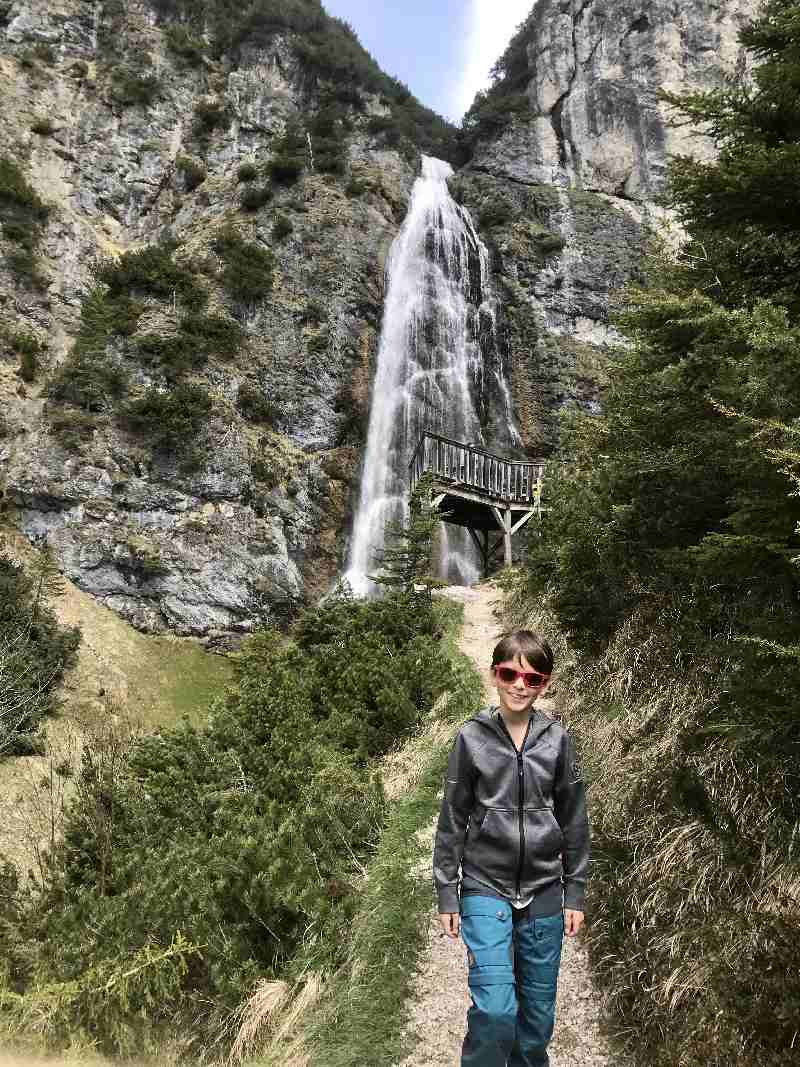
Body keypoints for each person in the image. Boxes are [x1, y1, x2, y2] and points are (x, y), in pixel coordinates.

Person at [433, 629, 590, 1067]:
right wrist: (448, 890)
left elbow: (575, 819)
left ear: (546, 684)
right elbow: (453, 818)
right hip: (485, 884)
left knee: (536, 1023)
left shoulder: (558, 740)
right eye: (510, 674)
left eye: (533, 678)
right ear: (494, 675)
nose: (520, 685)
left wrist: (573, 891)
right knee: (496, 1009)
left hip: (544, 890)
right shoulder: (471, 738)